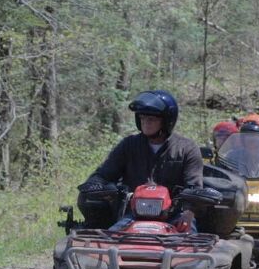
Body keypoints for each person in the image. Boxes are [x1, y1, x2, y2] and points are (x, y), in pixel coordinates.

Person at [78, 90, 203, 230]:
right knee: (109, 239)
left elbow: (194, 187)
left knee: (193, 243)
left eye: (151, 119)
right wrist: (94, 185)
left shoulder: (187, 148)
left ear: (167, 120)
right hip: (133, 214)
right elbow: (105, 173)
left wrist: (189, 211)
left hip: (175, 215)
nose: (145, 123)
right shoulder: (128, 145)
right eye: (142, 118)